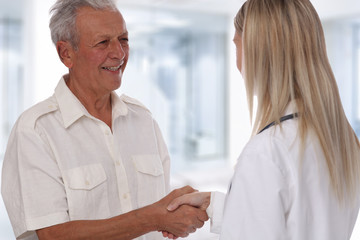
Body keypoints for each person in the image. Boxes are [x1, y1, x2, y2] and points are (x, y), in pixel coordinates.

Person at [1, 0, 208, 239]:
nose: (119, 53)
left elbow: (160, 212)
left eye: (123, 40)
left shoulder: (143, 120)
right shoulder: (35, 131)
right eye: (103, 43)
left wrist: (175, 211)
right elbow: (52, 234)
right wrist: (153, 218)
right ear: (66, 53)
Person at [165, 0, 360, 239]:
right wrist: (218, 204)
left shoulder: (266, 151)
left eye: (237, 45)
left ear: (257, 51)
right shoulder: (343, 138)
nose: (237, 63)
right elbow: (303, 219)